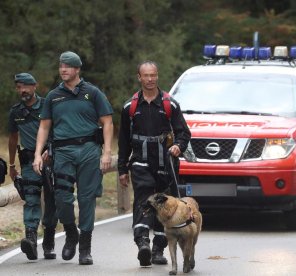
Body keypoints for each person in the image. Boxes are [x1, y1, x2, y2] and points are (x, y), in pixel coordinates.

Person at [32, 51, 114, 265]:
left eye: (67, 66)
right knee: (62, 198)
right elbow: (44, 126)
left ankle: (85, 248)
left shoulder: (92, 93)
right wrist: (37, 154)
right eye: (61, 66)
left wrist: (106, 152)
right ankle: (71, 232)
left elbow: (107, 122)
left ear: (77, 69)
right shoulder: (53, 96)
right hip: (63, 153)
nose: (63, 69)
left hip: (88, 149)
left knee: (87, 199)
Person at [117, 61, 191, 267]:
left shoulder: (170, 104)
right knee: (143, 199)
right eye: (146, 76)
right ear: (139, 78)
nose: (150, 79)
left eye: (153, 75)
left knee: (163, 205)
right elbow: (123, 140)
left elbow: (184, 133)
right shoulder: (129, 107)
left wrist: (178, 146)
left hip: (165, 163)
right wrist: (122, 169)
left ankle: (158, 249)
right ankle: (143, 243)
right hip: (140, 162)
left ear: (157, 76)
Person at [8, 73, 58, 260]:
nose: (23, 90)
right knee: (31, 198)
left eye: (26, 86)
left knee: (52, 200)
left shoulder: (47, 105)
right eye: (19, 87)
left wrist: (51, 151)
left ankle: (49, 242)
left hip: (51, 160)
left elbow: (57, 129)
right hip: (29, 162)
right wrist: (12, 165)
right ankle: (30, 239)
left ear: (34, 86)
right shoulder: (16, 112)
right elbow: (13, 139)